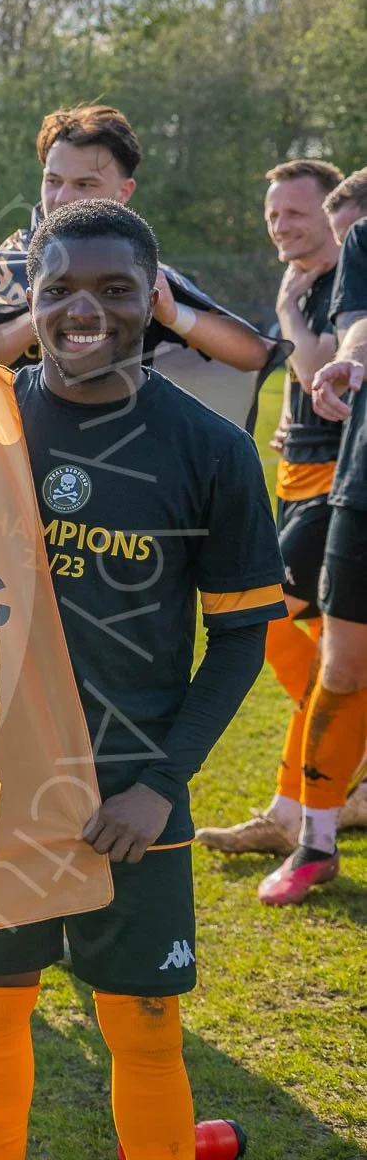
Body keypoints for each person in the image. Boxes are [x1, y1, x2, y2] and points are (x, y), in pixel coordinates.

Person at [0, 199, 285, 1158]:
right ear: (31, 299)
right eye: (60, 290)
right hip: (1, 785)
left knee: (141, 1026)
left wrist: (161, 788)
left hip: (134, 794)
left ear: (152, 299)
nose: (85, 312)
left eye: (115, 291)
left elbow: (240, 642)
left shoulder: (214, 451)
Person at [197, 161, 367, 858]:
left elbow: (323, 359)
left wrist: (294, 321)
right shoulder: (306, 281)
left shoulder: (332, 283)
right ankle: (319, 785)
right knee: (323, 648)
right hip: (299, 473)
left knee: (260, 612)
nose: (281, 225)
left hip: (339, 480)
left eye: (294, 213)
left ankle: (298, 802)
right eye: (273, 214)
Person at [0, 105, 276, 383]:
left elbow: (254, 354)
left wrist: (174, 316)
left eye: (85, 184)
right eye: (53, 181)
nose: (62, 198)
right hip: (13, 450)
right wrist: (47, 309)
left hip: (121, 452)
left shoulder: (143, 276)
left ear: (124, 192)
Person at [250, 210, 367, 904]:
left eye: (297, 211)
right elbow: (358, 325)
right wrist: (351, 357)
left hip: (322, 486)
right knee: (342, 665)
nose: (284, 225)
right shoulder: (364, 239)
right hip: (356, 480)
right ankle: (313, 841)